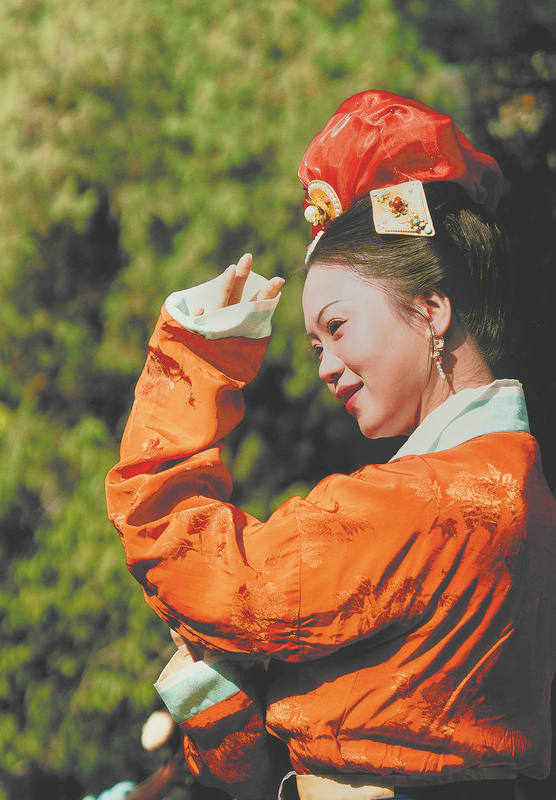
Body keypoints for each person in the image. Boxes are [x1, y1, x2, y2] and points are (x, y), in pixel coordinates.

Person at [105, 90, 556, 800]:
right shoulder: (514, 488)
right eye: (316, 346)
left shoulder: (429, 502)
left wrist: (195, 354)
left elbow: (194, 564)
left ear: (432, 308)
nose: (325, 366)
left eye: (337, 327)